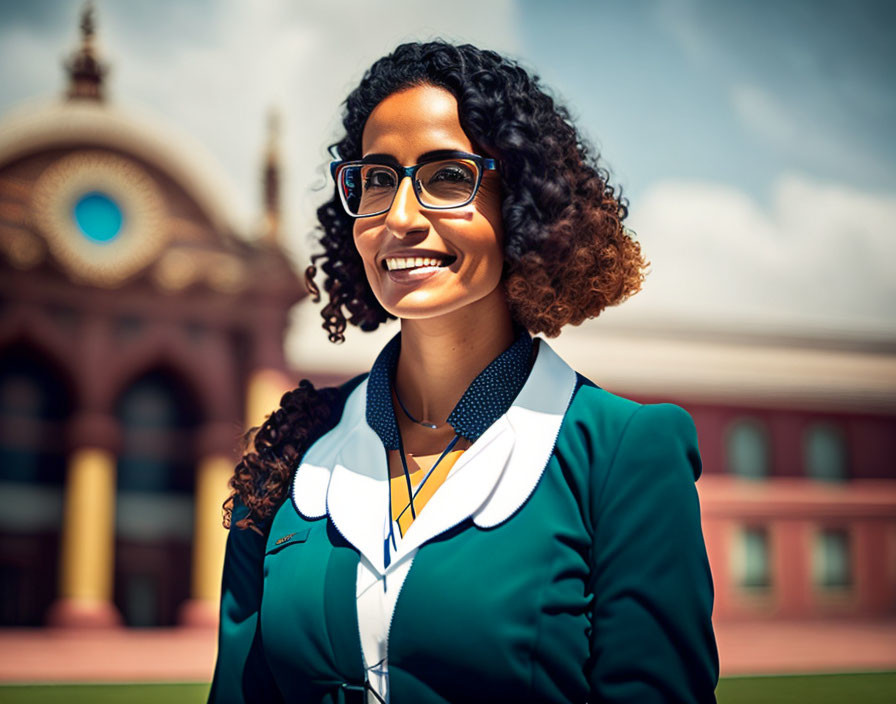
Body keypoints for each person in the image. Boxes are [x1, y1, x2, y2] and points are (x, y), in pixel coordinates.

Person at [209, 41, 718, 704]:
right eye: (378, 179)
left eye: (448, 177)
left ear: (524, 204)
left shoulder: (623, 454)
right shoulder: (290, 451)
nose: (398, 217)